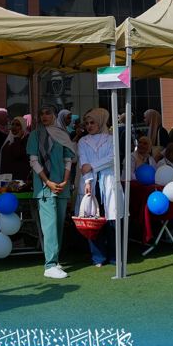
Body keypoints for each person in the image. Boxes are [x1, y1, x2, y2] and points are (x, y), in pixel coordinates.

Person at [27, 106, 75, 278]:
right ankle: (50, 265)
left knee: (59, 225)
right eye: (41, 113)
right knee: (50, 225)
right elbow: (34, 161)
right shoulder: (35, 135)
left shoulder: (63, 134)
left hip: (61, 185)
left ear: (54, 115)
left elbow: (68, 159)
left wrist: (65, 181)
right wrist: (48, 182)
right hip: (45, 186)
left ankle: (55, 260)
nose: (44, 116)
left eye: (48, 113)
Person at [75, 108, 119, 266]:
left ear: (100, 122)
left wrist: (92, 166)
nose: (89, 126)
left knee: (111, 220)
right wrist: (87, 181)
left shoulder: (111, 139)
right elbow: (83, 163)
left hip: (108, 182)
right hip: (91, 183)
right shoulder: (82, 141)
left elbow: (113, 158)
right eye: (86, 123)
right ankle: (98, 257)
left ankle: (115, 256)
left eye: (92, 122)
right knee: (92, 220)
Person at [0, 115, 32, 181]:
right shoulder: (9, 140)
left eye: (17, 125)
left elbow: (17, 154)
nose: (14, 127)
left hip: (20, 179)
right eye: (12, 124)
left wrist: (17, 138)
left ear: (23, 127)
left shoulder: (27, 140)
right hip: (6, 178)